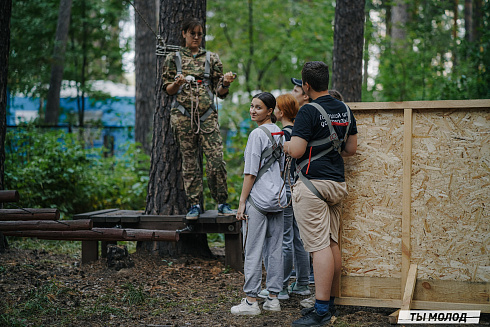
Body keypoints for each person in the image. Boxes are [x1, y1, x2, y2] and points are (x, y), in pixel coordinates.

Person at [284, 61, 358, 327]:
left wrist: (287, 145)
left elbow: (297, 150)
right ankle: (330, 301)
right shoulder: (345, 109)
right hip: (336, 184)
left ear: (306, 85)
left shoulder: (307, 112)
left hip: (312, 184)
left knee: (318, 248)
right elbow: (350, 148)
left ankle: (321, 311)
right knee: (331, 243)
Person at [162, 17, 236, 219]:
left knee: (216, 161)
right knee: (190, 162)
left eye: (199, 34)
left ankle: (221, 202)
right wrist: (177, 84)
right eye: (192, 33)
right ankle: (194, 204)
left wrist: (226, 83)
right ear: (184, 33)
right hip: (183, 116)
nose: (196, 37)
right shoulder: (173, 58)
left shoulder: (211, 58)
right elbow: (168, 90)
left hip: (207, 116)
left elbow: (220, 92)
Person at [231, 92, 287, 315]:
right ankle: (274, 298)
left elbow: (250, 173)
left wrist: (242, 202)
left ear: (270, 111)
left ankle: (252, 301)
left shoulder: (257, 134)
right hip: (279, 198)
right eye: (252, 106)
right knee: (275, 250)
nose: (253, 111)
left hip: (259, 199)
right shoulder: (280, 133)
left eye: (259, 107)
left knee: (253, 249)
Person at [258, 93, 311, 301]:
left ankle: (281, 286)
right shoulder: (298, 132)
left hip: (287, 189)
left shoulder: (283, 134)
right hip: (299, 187)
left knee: (285, 239)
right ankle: (303, 283)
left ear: (280, 111)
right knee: (298, 238)